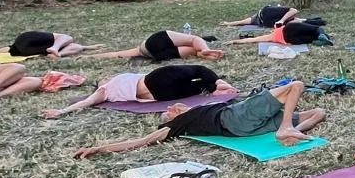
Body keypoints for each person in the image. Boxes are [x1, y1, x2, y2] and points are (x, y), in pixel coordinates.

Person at [72, 80, 324, 158]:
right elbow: (143, 140)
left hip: (248, 129)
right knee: (297, 85)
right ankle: (286, 127)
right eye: (170, 110)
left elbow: (318, 114)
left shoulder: (197, 111)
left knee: (318, 112)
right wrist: (100, 148)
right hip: (237, 118)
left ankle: (291, 129)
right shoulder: (178, 124)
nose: (173, 107)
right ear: (172, 118)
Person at [40, 65, 237, 119]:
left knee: (198, 86)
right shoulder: (106, 87)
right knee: (199, 71)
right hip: (155, 79)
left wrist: (61, 112)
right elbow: (84, 102)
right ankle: (220, 84)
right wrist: (61, 111)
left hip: (159, 95)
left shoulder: (106, 94)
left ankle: (217, 89)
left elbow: (86, 103)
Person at [88, 30, 223, 62]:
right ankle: (208, 53)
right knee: (194, 51)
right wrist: (204, 50)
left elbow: (116, 53)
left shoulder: (139, 50)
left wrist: (91, 56)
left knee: (194, 41)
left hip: (151, 47)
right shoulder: (190, 46)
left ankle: (207, 51)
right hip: (158, 55)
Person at [0, 30, 99, 59]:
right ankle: (55, 49)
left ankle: (56, 51)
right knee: (67, 37)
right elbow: (69, 40)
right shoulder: (59, 38)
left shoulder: (15, 49)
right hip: (29, 40)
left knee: (77, 47)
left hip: (23, 48)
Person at [230, 20, 326, 47]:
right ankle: (322, 36)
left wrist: (235, 41)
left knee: (311, 37)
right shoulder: (278, 28)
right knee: (317, 29)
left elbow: (251, 40)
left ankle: (316, 40)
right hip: (290, 28)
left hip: (291, 40)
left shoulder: (269, 38)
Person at [220, 5, 301, 29]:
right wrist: (282, 21)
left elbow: (297, 18)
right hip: (259, 16)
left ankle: (228, 23)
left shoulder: (291, 19)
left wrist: (282, 21)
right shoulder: (282, 10)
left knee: (244, 22)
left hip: (263, 21)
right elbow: (294, 10)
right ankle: (228, 23)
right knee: (242, 22)